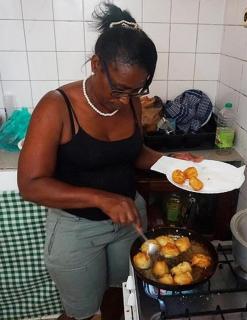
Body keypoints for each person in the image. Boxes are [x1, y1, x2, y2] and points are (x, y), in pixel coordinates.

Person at [17, 4, 202, 320]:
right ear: (96, 64)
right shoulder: (57, 106)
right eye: (117, 89)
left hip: (128, 220)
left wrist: (171, 162)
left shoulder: (131, 103)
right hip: (75, 229)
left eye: (136, 90)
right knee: (82, 312)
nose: (124, 100)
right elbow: (31, 185)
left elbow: (135, 152)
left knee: (123, 296)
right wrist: (100, 198)